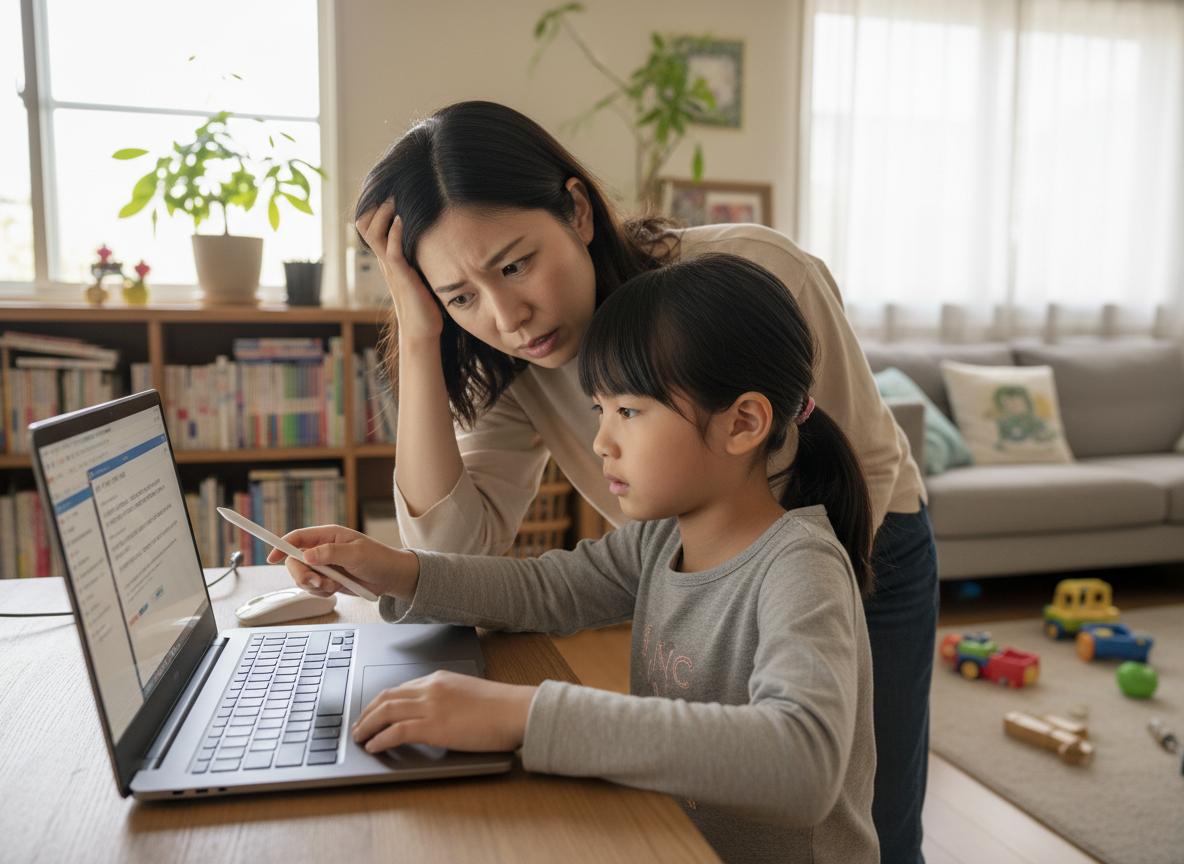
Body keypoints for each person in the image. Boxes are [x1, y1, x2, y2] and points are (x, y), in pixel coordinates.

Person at [351, 101, 937, 864]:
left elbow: (800, 759)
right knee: (710, 817)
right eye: (460, 296)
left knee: (877, 824)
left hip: (861, 550)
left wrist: (528, 715)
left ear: (577, 209)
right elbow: (497, 568)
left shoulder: (755, 277)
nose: (507, 316)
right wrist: (422, 333)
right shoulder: (518, 369)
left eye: (515, 264)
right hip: (698, 550)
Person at [272, 253, 879, 863]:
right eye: (600, 409)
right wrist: (396, 570)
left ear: (743, 422)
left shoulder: (800, 567)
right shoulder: (662, 539)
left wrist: (525, 713)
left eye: (629, 412)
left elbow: (803, 763)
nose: (600, 441)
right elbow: (545, 589)